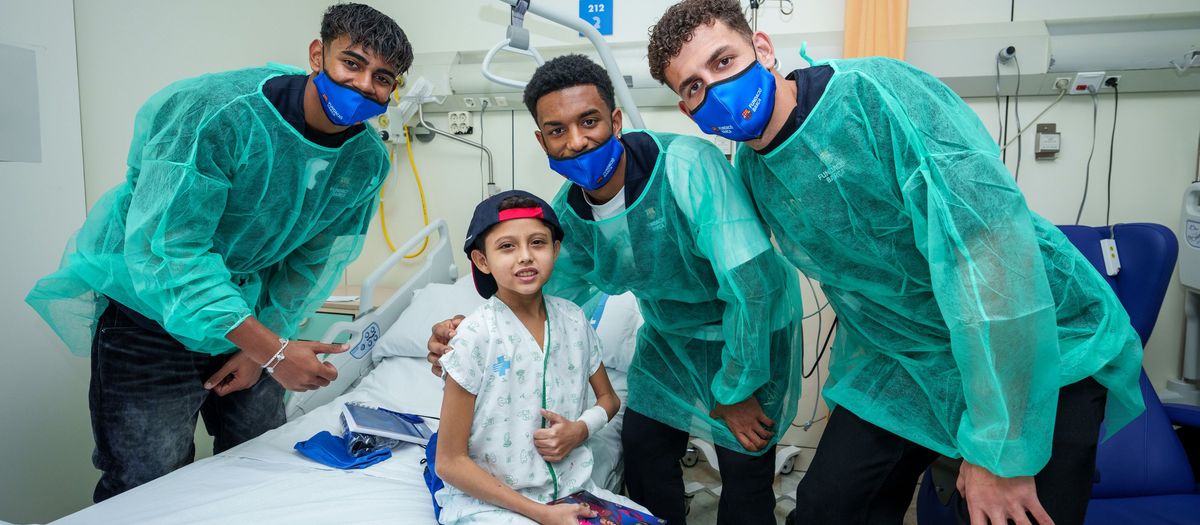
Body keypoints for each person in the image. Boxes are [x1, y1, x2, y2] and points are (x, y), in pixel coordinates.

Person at [647, 1, 1145, 524]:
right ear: (687, 109)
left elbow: (990, 259)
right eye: (694, 86)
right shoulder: (753, 171)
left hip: (1035, 339)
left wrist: (999, 447)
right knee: (826, 509)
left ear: (763, 50)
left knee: (1011, 512)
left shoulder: (876, 97)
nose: (715, 90)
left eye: (723, 62)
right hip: (910, 355)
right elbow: (808, 284)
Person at [24, 3, 413, 502]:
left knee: (258, 463)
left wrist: (260, 351)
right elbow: (172, 251)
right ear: (317, 55)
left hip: (249, 324)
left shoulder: (364, 162)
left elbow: (309, 263)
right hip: (150, 318)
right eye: (352, 63)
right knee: (147, 484)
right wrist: (271, 351)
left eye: (383, 78)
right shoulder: (219, 114)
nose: (364, 86)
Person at [429, 54, 805, 525]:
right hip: (669, 340)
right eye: (557, 131)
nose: (576, 141)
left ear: (616, 120)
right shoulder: (566, 218)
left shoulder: (686, 167)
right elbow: (534, 297)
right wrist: (467, 332)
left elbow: (753, 286)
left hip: (747, 332)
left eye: (589, 122)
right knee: (645, 453)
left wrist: (737, 387)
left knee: (744, 465)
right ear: (540, 139)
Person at [434, 190, 641, 525]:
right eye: (507, 247)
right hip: (491, 503)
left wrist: (580, 430)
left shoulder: (574, 321)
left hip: (571, 491)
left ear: (556, 251)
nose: (525, 257)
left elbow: (609, 399)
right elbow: (449, 461)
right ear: (482, 261)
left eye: (538, 243)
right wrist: (541, 515)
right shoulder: (475, 336)